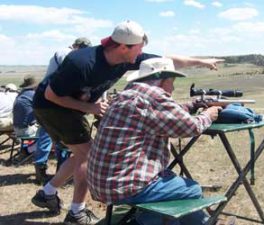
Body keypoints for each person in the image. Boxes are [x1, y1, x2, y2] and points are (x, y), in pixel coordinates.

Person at [31, 20, 223, 225]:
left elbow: (166, 60)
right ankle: (76, 211)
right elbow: (51, 95)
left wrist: (201, 62)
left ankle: (49, 192)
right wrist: (91, 108)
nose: (141, 54)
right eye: (140, 48)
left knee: (86, 155)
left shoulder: (129, 63)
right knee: (88, 155)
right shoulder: (82, 62)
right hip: (51, 106)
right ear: (124, 47)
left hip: (75, 108)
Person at [87, 58, 222, 225]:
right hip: (126, 186)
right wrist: (209, 115)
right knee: (191, 189)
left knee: (171, 184)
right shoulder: (153, 96)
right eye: (171, 82)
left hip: (101, 183)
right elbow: (191, 127)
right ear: (163, 80)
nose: (172, 88)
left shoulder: (129, 93)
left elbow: (164, 112)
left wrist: (192, 105)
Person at [33, 37, 92, 185]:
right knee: (59, 139)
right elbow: (70, 66)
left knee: (55, 139)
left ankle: (52, 173)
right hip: (54, 102)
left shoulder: (68, 54)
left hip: (52, 101)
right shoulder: (65, 52)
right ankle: (46, 171)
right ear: (77, 46)